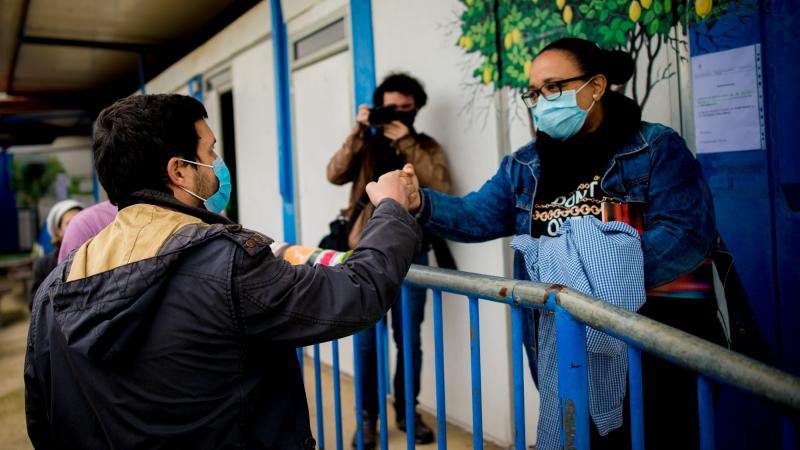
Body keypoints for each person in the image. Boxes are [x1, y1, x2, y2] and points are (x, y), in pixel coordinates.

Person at [25, 94, 422, 449]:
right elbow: (355, 293)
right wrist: (392, 209)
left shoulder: (54, 290)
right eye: (211, 151)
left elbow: (43, 422)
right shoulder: (224, 264)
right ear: (179, 170)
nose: (218, 164)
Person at [404, 38, 724, 450]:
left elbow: (686, 235)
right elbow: (476, 216)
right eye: (534, 92)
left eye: (553, 87)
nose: (540, 101)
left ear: (595, 86)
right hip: (568, 348)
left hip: (658, 348)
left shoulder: (656, 148)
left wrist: (585, 278)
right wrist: (419, 201)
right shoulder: (524, 166)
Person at [327, 73, 451, 447]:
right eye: (389, 107)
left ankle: (407, 409)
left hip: (413, 255)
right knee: (365, 342)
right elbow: (334, 173)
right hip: (364, 253)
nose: (397, 113)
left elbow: (442, 188)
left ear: (416, 108)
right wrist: (358, 131)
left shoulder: (425, 145)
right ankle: (367, 418)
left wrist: (408, 142)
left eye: (405, 107)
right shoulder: (364, 144)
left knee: (409, 340)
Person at [30, 199, 83, 305]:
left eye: (80, 221)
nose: (76, 227)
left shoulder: (95, 257)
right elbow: (34, 303)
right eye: (69, 223)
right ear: (58, 231)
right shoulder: (43, 265)